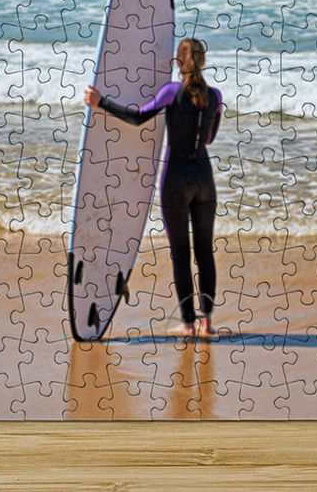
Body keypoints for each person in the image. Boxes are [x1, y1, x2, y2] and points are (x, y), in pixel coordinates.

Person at [84, 38, 224, 339]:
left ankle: (188, 324)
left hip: (176, 178)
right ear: (202, 62)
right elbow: (210, 138)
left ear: (178, 63)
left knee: (180, 254)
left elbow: (137, 117)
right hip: (205, 178)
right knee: (204, 252)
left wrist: (101, 102)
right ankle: (207, 323)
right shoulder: (216, 95)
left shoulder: (171, 92)